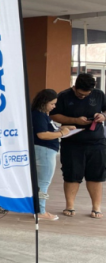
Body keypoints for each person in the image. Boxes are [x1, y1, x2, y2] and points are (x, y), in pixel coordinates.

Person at [50, 73, 105, 219]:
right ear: (74, 87)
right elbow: (54, 115)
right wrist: (75, 120)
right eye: (80, 94)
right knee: (72, 175)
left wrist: (102, 116)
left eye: (86, 94)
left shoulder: (99, 94)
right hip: (72, 142)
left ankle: (96, 207)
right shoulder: (64, 96)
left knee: (96, 175)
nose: (83, 97)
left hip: (96, 141)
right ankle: (70, 206)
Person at [31, 89, 75, 221]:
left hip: (46, 150)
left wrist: (63, 128)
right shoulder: (38, 115)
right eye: (52, 104)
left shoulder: (42, 114)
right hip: (44, 150)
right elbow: (42, 134)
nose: (54, 106)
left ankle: (39, 209)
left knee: (42, 181)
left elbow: (48, 129)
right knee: (43, 181)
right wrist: (62, 133)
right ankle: (41, 211)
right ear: (44, 102)